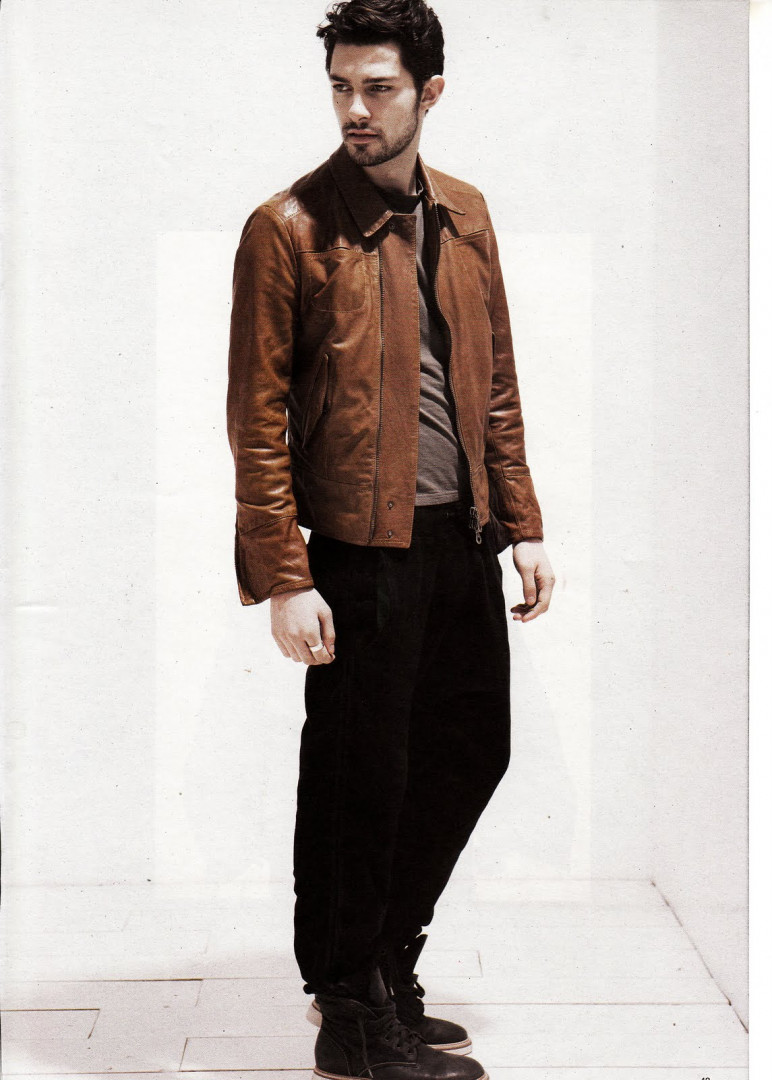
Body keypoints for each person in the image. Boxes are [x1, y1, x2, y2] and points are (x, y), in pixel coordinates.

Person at [226, 1, 554, 1076]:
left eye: (378, 88)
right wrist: (285, 576)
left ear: (429, 93)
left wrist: (522, 524)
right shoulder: (288, 228)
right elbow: (256, 419)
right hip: (359, 553)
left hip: (460, 539)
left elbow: (494, 383)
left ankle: (383, 963)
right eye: (341, 87)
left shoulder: (465, 214)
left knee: (472, 750)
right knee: (358, 779)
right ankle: (351, 1016)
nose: (355, 109)